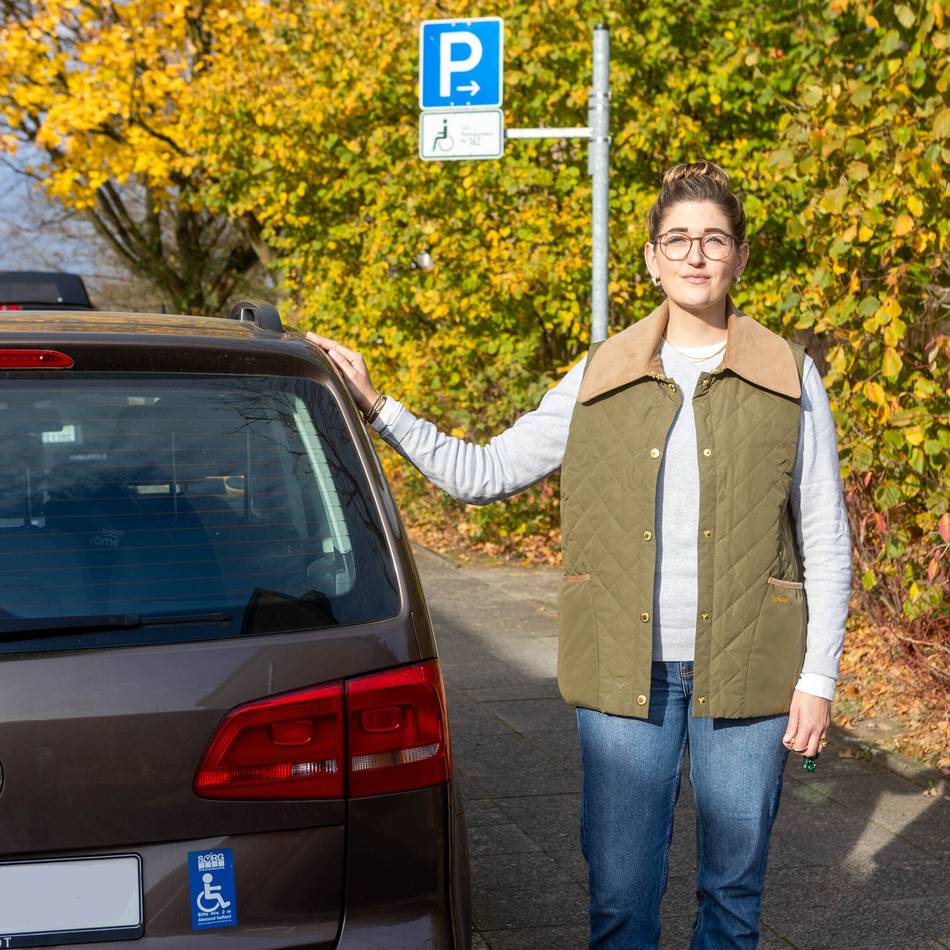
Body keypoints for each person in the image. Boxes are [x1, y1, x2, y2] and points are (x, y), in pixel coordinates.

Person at [307, 160, 852, 950]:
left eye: (713, 239)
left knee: (733, 899)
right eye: (678, 239)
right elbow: (483, 472)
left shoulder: (789, 376)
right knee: (621, 902)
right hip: (623, 673)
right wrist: (379, 406)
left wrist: (818, 679)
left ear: (739, 256)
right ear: (650, 258)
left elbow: (826, 536)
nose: (696, 255)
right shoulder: (600, 374)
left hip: (751, 669)